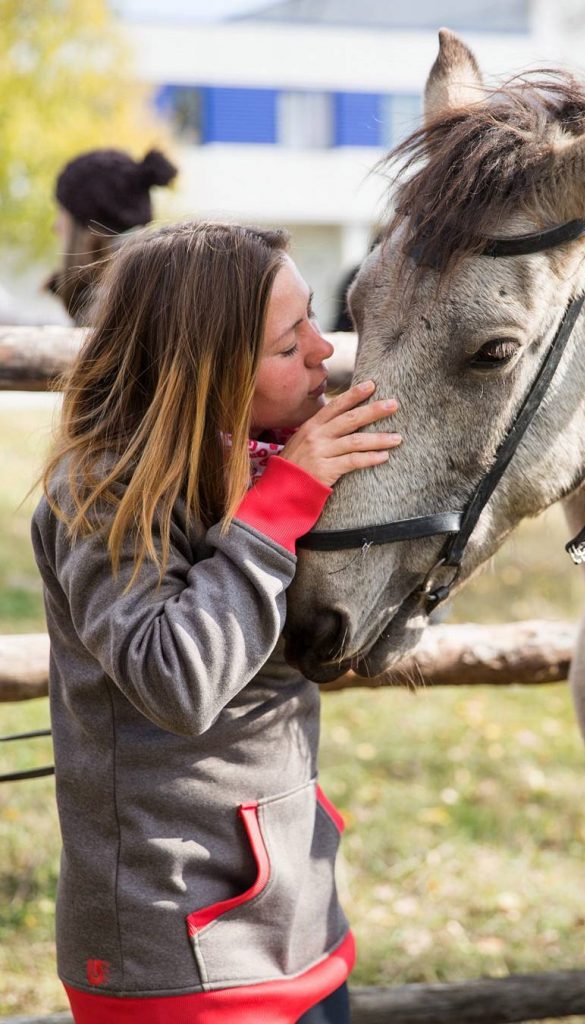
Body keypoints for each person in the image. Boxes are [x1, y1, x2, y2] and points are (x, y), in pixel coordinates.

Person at [31, 221, 403, 1024]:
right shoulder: (103, 495)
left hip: (296, 919)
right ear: (204, 372)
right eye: (285, 343)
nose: (321, 352)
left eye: (311, 318)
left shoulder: (258, 456)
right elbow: (176, 680)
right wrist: (282, 508)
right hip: (178, 955)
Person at [45, 147, 177, 324]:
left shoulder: (110, 309)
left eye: (63, 212)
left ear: (88, 225)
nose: (56, 226)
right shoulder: (159, 288)